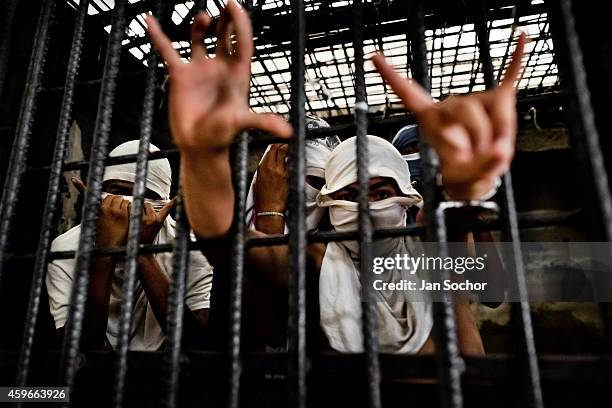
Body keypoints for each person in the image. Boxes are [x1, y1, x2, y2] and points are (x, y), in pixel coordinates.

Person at [145, 0, 526, 353]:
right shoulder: (318, 258)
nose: (366, 207)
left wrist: (461, 189)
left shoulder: (424, 248)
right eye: (350, 194)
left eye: (381, 192)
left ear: (410, 195)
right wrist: (204, 156)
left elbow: (462, 244)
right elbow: (226, 244)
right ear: (330, 201)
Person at [46, 141, 213, 350]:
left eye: (144, 196)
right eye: (116, 193)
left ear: (164, 202)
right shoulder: (67, 247)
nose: (127, 206)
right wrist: (106, 253)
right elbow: (76, 347)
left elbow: (197, 343)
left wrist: (142, 254)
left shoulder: (190, 247)